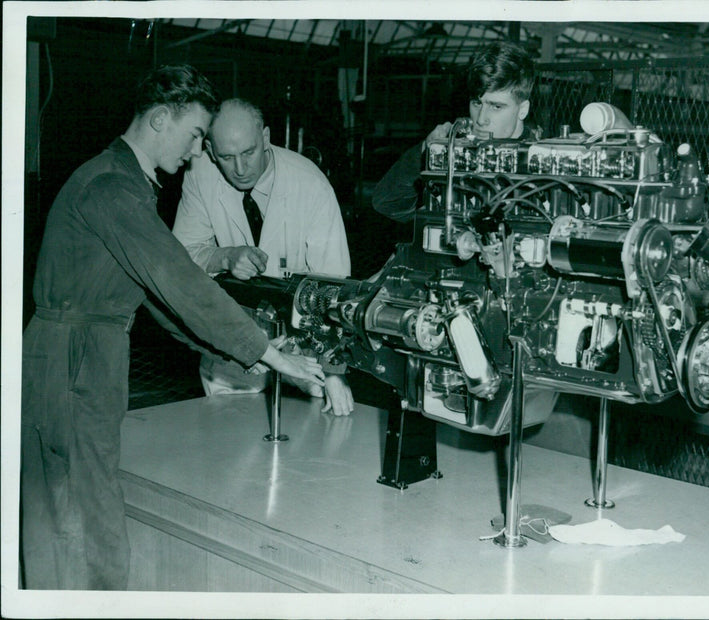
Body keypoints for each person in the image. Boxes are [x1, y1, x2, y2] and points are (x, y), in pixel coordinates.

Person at [20, 65, 325, 591]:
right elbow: (177, 280)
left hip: (79, 361)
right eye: (196, 135)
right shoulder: (111, 186)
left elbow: (159, 301)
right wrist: (269, 353)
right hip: (73, 366)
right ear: (161, 119)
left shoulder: (122, 183)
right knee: (83, 527)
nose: (197, 152)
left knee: (72, 515)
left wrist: (238, 354)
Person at [172, 98, 354, 416]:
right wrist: (224, 257)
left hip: (305, 345)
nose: (240, 169)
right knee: (228, 446)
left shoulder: (311, 186)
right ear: (210, 151)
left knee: (317, 437)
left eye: (249, 153)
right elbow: (178, 259)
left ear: (266, 138)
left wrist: (334, 372)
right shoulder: (199, 173)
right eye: (227, 157)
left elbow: (334, 289)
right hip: (234, 343)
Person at [372, 40, 539, 222]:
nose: (481, 119)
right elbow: (387, 204)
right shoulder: (457, 151)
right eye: (477, 103)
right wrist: (423, 153)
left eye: (496, 107)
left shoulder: (543, 164)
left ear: (523, 109)